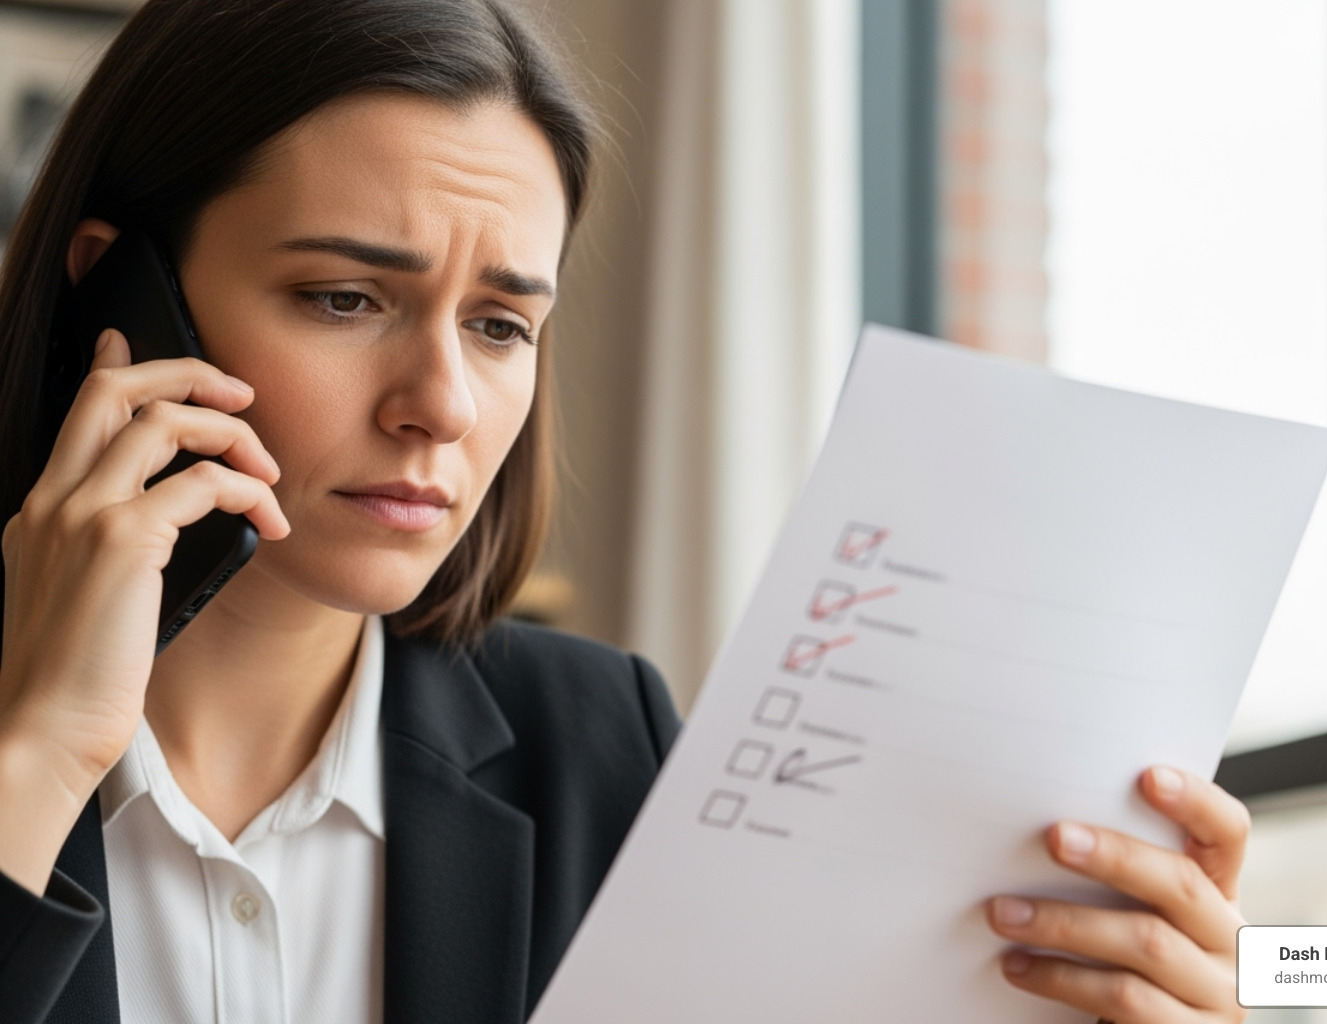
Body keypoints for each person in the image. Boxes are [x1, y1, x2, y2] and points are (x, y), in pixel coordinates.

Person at [0, 1, 1251, 1022]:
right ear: (117, 287)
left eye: (500, 325)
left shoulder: (603, 745)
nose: (441, 404)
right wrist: (41, 751)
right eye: (343, 298)